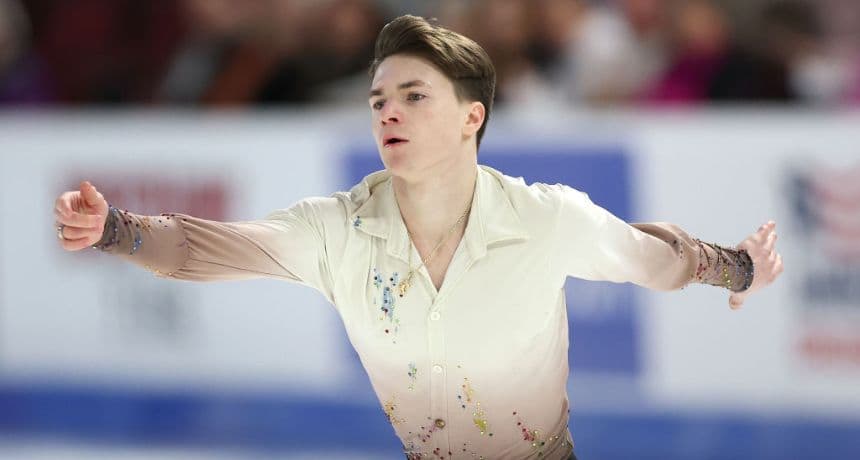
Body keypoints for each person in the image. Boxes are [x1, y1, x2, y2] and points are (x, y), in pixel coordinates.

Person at [52, 15, 782, 460]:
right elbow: (207, 247)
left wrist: (740, 270)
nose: (387, 113)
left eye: (413, 96)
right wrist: (115, 230)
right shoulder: (338, 230)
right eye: (377, 100)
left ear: (472, 117)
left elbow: (658, 262)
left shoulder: (545, 219)